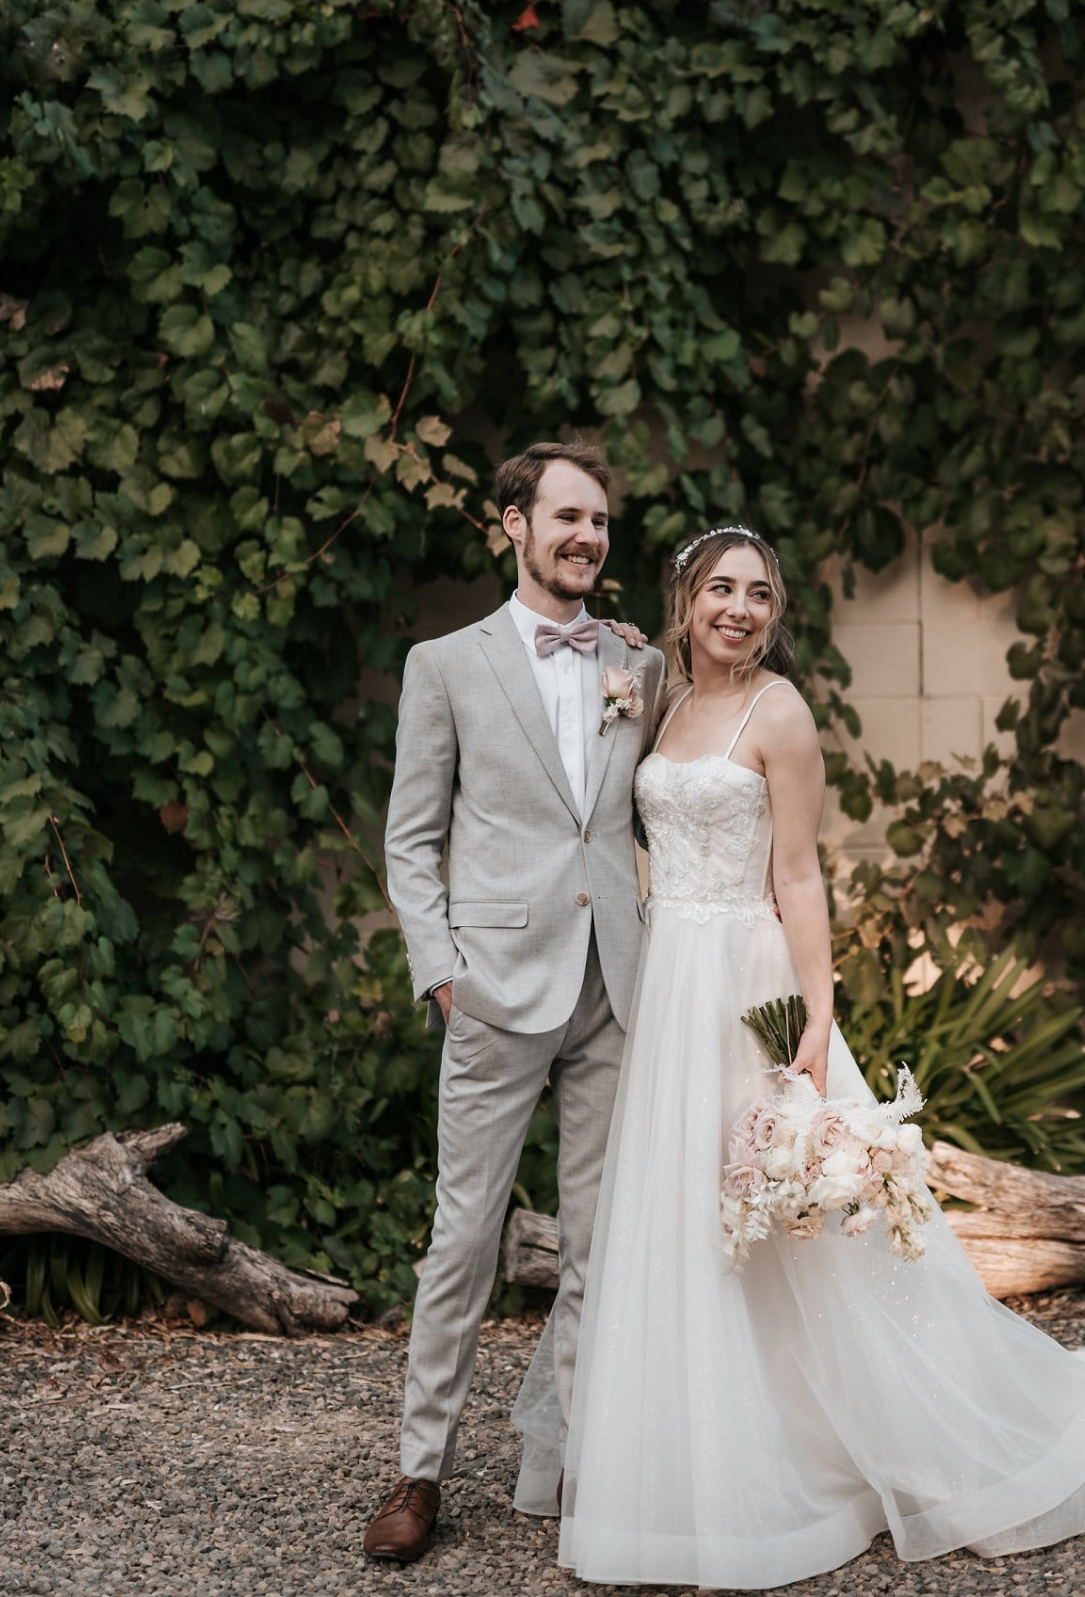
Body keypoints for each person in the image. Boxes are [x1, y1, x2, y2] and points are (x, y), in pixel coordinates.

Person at [536, 524, 1085, 1590]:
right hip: (666, 988)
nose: (741, 609)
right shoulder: (660, 699)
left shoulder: (779, 712)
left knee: (790, 1224)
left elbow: (801, 876)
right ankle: (694, 1468)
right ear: (686, 600)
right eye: (722, 590)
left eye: (761, 596)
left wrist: (817, 1024)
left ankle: (869, 1447)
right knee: (689, 1220)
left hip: (747, 983)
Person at [366, 441, 666, 1563]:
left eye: (600, 520)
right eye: (567, 516)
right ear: (513, 525)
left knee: (596, 1243)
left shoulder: (637, 663)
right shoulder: (445, 665)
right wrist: (440, 970)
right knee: (463, 1238)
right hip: (491, 990)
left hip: (615, 988)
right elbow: (411, 838)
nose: (587, 535)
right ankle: (418, 1470)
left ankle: (582, 1471)